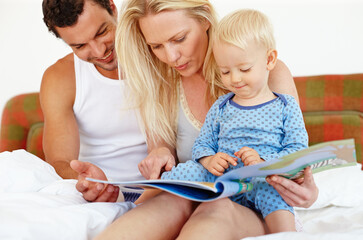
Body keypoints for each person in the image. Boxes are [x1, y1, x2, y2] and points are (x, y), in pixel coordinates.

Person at [95, 0, 318, 239]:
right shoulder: (160, 86)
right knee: (167, 202)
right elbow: (165, 166)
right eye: (156, 46)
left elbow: (295, 154)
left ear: (205, 20)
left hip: (249, 203)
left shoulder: (266, 73)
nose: (171, 56)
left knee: (216, 208)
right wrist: (157, 157)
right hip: (194, 196)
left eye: (179, 39)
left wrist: (306, 190)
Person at [161, 9, 309, 233]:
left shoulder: (285, 106)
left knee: (276, 200)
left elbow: (297, 151)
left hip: (264, 180)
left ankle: (288, 235)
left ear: (269, 60)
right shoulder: (222, 105)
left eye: (244, 69)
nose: (235, 79)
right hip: (224, 179)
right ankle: (137, 199)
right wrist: (210, 159)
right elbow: (203, 143)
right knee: (182, 172)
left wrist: (263, 161)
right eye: (225, 72)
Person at [40, 0, 175, 202]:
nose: (98, 51)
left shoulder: (162, 53)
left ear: (112, 8)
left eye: (102, 32)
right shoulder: (60, 78)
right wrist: (88, 182)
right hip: (91, 196)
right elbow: (60, 161)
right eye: (80, 45)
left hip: (157, 191)